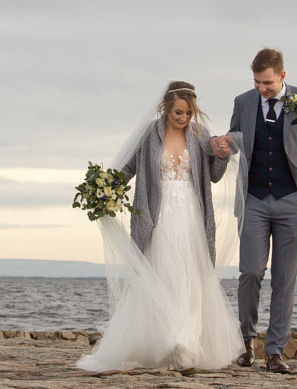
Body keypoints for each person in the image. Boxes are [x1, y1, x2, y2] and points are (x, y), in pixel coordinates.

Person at [77, 81, 243, 371]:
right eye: (178, 112)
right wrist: (105, 190)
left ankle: (186, 344)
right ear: (165, 107)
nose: (183, 118)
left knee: (191, 277)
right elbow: (128, 168)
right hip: (158, 215)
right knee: (163, 273)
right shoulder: (149, 135)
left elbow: (214, 176)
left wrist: (222, 154)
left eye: (188, 113)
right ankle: (169, 340)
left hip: (192, 215)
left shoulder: (199, 134)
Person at [217, 48, 297, 373]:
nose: (261, 89)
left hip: (293, 200)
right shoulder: (244, 102)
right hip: (252, 199)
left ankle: (276, 351)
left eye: (266, 83)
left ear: (282, 76)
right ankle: (246, 343)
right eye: (256, 82)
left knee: (284, 278)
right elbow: (236, 140)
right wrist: (223, 145)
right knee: (250, 272)